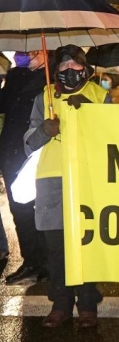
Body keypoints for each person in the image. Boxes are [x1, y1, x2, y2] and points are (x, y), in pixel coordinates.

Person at [24, 45, 109, 328]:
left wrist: (91, 116)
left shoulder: (100, 96)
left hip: (88, 178)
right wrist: (44, 131)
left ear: (85, 68)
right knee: (56, 247)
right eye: (63, 66)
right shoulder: (45, 98)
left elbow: (113, 138)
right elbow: (28, 143)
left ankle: (87, 304)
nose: (70, 70)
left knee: (85, 244)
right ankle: (60, 305)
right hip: (52, 180)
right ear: (56, 70)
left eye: (75, 65)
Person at [0, 50, 49, 284]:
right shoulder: (17, 75)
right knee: (19, 209)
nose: (27, 54)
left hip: (38, 151)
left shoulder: (52, 78)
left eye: (32, 50)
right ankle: (31, 260)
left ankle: (48, 262)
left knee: (42, 209)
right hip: (12, 151)